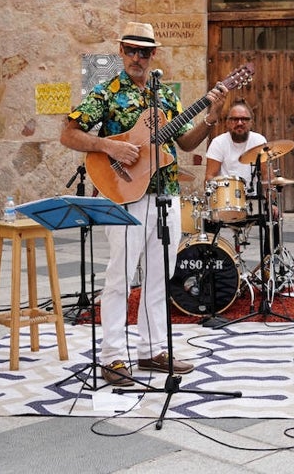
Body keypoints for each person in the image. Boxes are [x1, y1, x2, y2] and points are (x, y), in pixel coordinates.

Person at [60, 21, 227, 386]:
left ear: (153, 55)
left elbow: (184, 143)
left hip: (164, 195)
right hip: (123, 195)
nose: (138, 57)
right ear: (121, 51)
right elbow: (68, 133)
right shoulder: (105, 92)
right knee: (120, 276)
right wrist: (109, 146)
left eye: (145, 51)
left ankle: (152, 350)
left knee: (159, 276)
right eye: (132, 50)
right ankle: (113, 356)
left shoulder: (164, 96)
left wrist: (210, 120)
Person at [205, 99, 281, 243]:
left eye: (244, 119)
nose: (239, 123)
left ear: (251, 122)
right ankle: (213, 261)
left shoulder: (259, 140)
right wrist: (210, 203)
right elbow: (210, 176)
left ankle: (270, 259)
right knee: (206, 223)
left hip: (253, 199)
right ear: (228, 122)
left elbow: (267, 175)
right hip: (226, 199)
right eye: (234, 119)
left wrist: (272, 202)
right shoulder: (218, 142)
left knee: (274, 218)